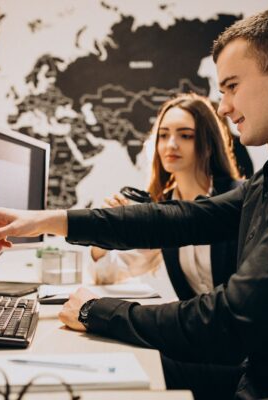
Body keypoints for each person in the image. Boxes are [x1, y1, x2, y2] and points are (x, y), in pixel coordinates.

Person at [0, 9, 268, 399]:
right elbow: (178, 219)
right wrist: (46, 220)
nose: (225, 107)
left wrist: (97, 311)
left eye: (232, 86)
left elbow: (231, 319)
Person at [90, 93, 242, 305]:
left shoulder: (237, 200)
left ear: (208, 145)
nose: (171, 144)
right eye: (163, 135)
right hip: (193, 329)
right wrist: (103, 234)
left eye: (185, 135)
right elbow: (108, 275)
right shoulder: (162, 209)